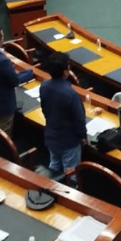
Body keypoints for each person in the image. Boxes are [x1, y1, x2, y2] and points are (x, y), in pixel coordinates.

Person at [39, 52, 85, 181]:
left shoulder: (44, 85)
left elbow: (45, 109)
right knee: (71, 173)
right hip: (69, 141)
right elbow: (79, 120)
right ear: (65, 72)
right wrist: (83, 136)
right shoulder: (71, 94)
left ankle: (50, 186)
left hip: (51, 136)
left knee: (54, 166)